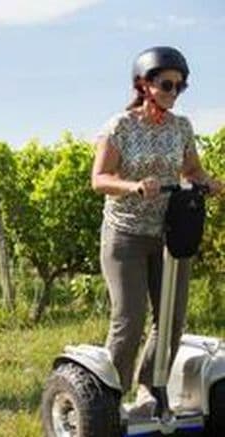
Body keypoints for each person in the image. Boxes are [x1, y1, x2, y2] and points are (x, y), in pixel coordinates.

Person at [91, 46, 223, 417]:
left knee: (171, 318)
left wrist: (207, 182)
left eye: (180, 87)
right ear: (144, 84)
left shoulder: (181, 127)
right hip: (125, 235)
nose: (173, 92)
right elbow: (99, 179)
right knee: (129, 320)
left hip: (168, 235)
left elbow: (191, 171)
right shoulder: (120, 126)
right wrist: (133, 186)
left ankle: (151, 390)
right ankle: (109, 401)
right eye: (166, 84)